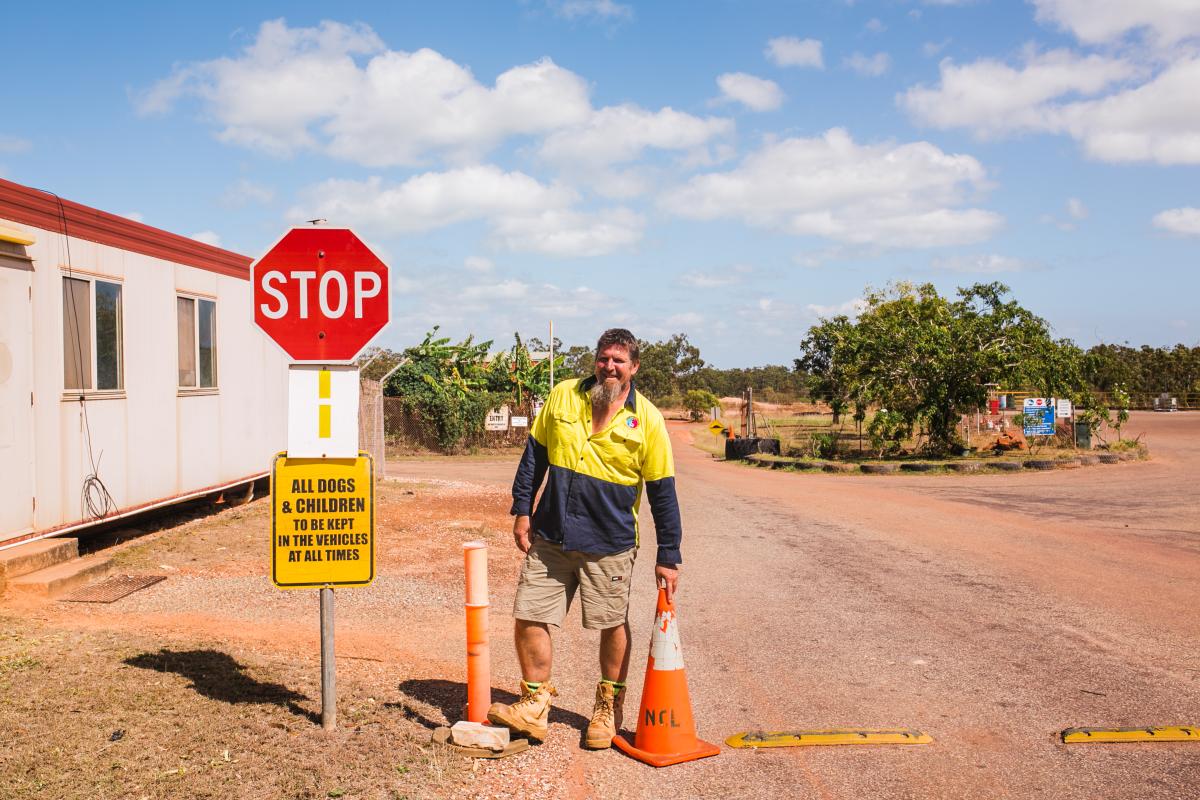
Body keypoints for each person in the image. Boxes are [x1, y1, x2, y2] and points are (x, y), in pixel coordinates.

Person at [488, 328, 682, 749]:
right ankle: (534, 706)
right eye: (603, 358)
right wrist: (523, 508)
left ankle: (607, 710)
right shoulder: (563, 396)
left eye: (618, 361)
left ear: (633, 368)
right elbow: (534, 457)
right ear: (595, 360)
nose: (609, 367)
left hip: (608, 543)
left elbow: (663, 492)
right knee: (529, 614)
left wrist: (669, 553)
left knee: (610, 623)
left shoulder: (646, 419)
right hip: (552, 534)